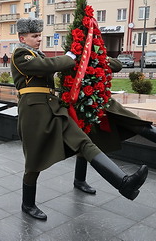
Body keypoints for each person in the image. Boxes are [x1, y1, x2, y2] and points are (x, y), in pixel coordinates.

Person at [10, 18, 148, 221]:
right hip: (34, 113)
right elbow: (45, 66)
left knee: (83, 142)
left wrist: (88, 58)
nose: (39, 39)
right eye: (34, 36)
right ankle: (27, 204)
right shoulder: (20, 54)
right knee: (34, 161)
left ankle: (123, 183)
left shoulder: (34, 53)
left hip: (54, 108)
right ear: (22, 38)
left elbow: (56, 67)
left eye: (39, 35)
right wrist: (71, 56)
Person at [73, 58, 156, 195]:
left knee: (132, 121)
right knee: (86, 138)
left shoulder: (96, 54)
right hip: (83, 104)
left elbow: (117, 65)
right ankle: (80, 179)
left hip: (103, 102)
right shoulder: (74, 55)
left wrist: (97, 58)